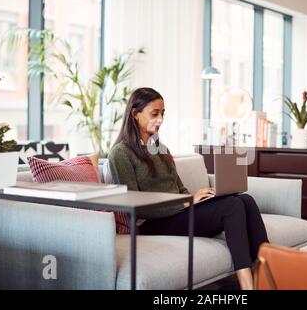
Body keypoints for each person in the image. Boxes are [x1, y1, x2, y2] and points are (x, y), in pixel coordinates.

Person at [108, 87, 269, 290]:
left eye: (163, 113)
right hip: (153, 223)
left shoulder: (161, 149)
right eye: (154, 113)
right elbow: (135, 206)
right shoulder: (121, 153)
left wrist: (198, 197)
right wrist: (187, 201)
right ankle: (248, 286)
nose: (160, 119)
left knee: (245, 200)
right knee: (232, 207)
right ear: (135, 113)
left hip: (180, 212)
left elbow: (179, 188)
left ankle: (270, 272)